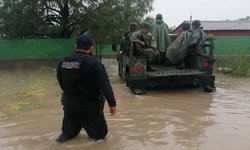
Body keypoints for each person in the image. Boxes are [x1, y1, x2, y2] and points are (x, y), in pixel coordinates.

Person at [56, 34, 117, 143]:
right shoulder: (94, 63)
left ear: (76, 46)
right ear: (91, 47)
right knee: (100, 139)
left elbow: (61, 83)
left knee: (66, 136)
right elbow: (105, 85)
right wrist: (112, 104)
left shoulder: (63, 62)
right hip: (90, 108)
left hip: (70, 106)